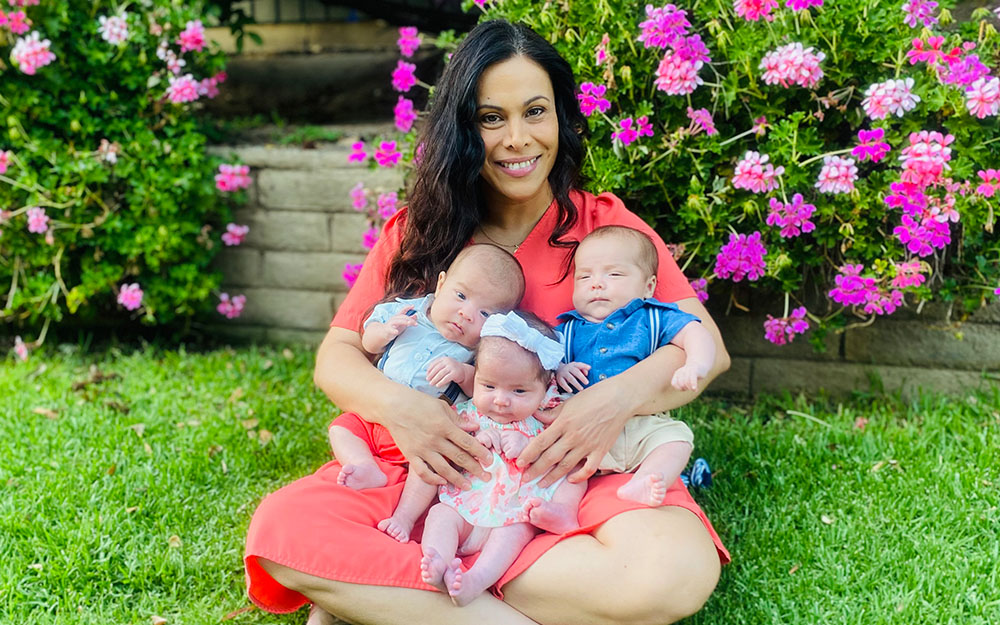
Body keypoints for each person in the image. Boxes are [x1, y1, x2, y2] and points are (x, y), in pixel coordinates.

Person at [245, 18, 731, 625]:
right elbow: (337, 357)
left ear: (562, 119)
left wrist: (612, 401)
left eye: (536, 111)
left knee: (669, 573)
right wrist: (407, 412)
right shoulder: (415, 234)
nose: (518, 139)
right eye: (491, 117)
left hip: (571, 472)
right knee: (282, 531)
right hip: (440, 473)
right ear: (463, 129)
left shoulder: (606, 230)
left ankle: (383, 601)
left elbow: (703, 343)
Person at [384, 311, 586, 606]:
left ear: (545, 389)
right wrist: (475, 441)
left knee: (515, 534)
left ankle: (475, 580)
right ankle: (436, 560)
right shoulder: (467, 415)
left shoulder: (541, 419)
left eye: (519, 391)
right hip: (463, 508)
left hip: (513, 513)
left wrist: (526, 443)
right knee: (439, 515)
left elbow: (559, 454)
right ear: (476, 377)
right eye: (489, 387)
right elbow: (447, 452)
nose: (501, 400)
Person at [332, 243, 525, 491]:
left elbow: (482, 386)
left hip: (427, 435)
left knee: (436, 464)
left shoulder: (478, 349)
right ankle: (364, 465)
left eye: (485, 313)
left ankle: (407, 508)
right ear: (442, 284)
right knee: (342, 428)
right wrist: (385, 331)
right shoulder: (404, 311)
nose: (466, 313)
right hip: (378, 417)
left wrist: (463, 372)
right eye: (461, 296)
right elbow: (368, 343)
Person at [552, 225, 716, 508]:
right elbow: (538, 366)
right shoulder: (566, 331)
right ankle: (560, 509)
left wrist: (696, 364)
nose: (597, 283)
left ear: (648, 286)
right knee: (564, 467)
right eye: (584, 276)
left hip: (644, 425)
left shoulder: (652, 318)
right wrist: (558, 370)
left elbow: (696, 333)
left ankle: (650, 479)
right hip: (586, 432)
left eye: (613, 274)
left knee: (677, 440)